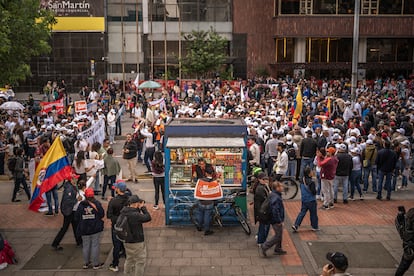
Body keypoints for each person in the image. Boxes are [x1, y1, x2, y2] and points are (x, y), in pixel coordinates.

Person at [120, 194, 152, 276]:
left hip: (127, 240)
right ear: (135, 204)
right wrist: (143, 208)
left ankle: (126, 274)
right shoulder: (135, 215)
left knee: (129, 259)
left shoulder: (124, 211)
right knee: (140, 261)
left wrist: (138, 208)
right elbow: (148, 217)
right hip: (137, 241)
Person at [75, 188, 105, 270]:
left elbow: (76, 217)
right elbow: (102, 214)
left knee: (86, 245)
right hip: (95, 228)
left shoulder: (81, 205)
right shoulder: (97, 204)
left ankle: (86, 263)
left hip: (84, 229)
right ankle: (96, 264)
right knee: (95, 245)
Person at [51, 175, 82, 250]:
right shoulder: (69, 189)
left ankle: (79, 241)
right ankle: (55, 243)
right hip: (68, 211)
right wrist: (77, 200)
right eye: (75, 178)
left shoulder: (72, 186)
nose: (77, 180)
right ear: (71, 179)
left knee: (75, 225)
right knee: (66, 227)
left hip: (70, 210)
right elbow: (67, 201)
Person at [259, 181, 287, 257]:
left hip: (274, 218)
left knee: (280, 234)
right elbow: (275, 210)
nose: (282, 188)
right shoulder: (276, 197)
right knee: (277, 235)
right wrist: (279, 220)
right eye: (281, 186)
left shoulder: (274, 194)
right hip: (275, 220)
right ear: (277, 188)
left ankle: (278, 248)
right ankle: (265, 246)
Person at [107, 181, 130, 272]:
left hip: (116, 227)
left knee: (116, 245)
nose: (115, 189)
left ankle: (115, 264)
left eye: (116, 187)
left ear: (118, 189)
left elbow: (109, 215)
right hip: (127, 226)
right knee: (127, 243)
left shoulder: (113, 201)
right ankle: (128, 258)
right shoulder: (129, 200)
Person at [292, 166, 319, 232]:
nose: (313, 172)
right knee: (313, 214)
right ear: (309, 173)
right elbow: (314, 192)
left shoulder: (302, 180)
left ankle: (296, 225)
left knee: (302, 213)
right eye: (311, 171)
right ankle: (314, 226)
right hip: (311, 200)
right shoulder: (311, 182)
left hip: (304, 199)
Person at [195, 166, 217, 235]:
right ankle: (207, 230)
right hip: (210, 202)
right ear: (212, 173)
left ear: (205, 173)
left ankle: (199, 226)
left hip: (201, 201)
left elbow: (198, 189)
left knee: (200, 214)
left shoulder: (201, 180)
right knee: (207, 216)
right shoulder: (214, 181)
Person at [253, 172, 271, 245]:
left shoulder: (263, 186)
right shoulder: (260, 189)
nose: (266, 180)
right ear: (259, 179)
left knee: (263, 226)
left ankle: (260, 239)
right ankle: (261, 241)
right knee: (264, 226)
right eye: (264, 179)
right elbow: (265, 200)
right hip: (262, 211)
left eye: (266, 179)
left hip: (262, 211)